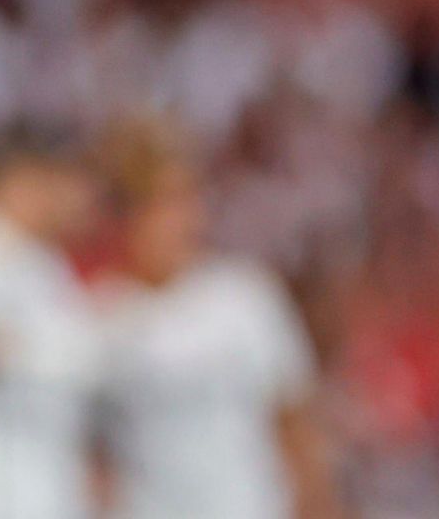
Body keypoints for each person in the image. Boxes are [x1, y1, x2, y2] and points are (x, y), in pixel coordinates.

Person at [92, 119, 340, 519]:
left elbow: (297, 428)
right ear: (127, 216)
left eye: (189, 201)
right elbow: (91, 452)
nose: (184, 220)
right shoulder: (100, 318)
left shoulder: (245, 298)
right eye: (163, 204)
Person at [0, 130, 104, 519]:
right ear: (21, 182)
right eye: (62, 181)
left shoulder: (45, 266)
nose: (75, 197)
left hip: (52, 487)